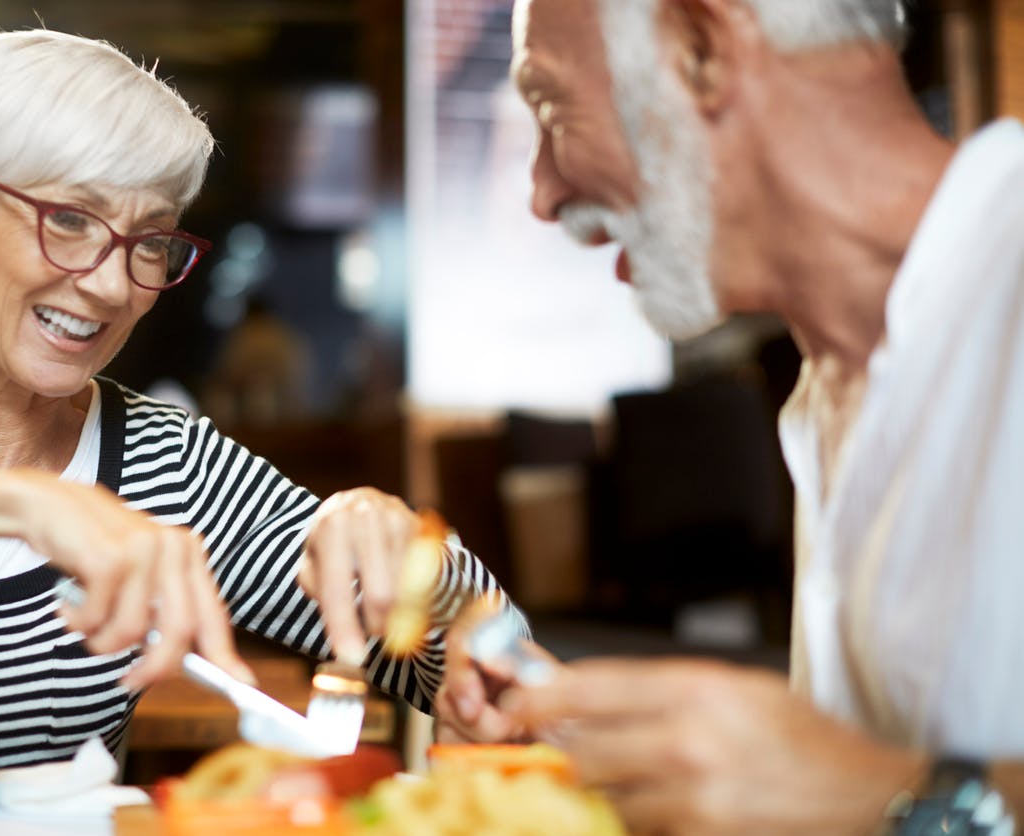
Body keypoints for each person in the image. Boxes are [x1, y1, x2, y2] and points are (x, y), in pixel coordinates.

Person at [0, 29, 514, 769]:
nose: (111, 285)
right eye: (68, 219)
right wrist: (10, 501)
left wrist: (418, 562)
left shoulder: (173, 469)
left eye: (150, 240)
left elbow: (490, 662)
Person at [434, 0, 1024, 832]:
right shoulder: (827, 390)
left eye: (553, 108)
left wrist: (894, 800)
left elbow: (871, 794)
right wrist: (600, 754)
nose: (542, 192)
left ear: (703, 51)